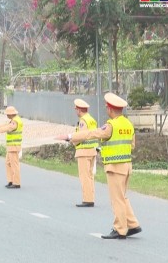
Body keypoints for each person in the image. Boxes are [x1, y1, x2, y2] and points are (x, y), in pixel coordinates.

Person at [57, 93, 142, 239]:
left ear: (110, 109)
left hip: (115, 167)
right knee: (122, 197)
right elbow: (132, 145)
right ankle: (133, 224)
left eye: (107, 108)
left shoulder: (111, 125)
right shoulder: (128, 124)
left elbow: (92, 134)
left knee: (117, 199)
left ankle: (120, 229)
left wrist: (70, 137)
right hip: (126, 166)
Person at [56, 98, 99, 207]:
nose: (76, 112)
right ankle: (91, 197)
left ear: (79, 110)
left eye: (76, 110)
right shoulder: (91, 119)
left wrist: (69, 138)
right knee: (90, 176)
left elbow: (82, 135)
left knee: (85, 176)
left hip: (84, 151)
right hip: (92, 150)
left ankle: (87, 199)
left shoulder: (83, 121)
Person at [0, 106, 23, 189]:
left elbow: (8, 127)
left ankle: (16, 183)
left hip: (14, 146)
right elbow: (5, 125)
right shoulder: (13, 120)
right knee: (8, 163)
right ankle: (11, 181)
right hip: (11, 146)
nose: (7, 116)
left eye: (7, 114)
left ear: (11, 114)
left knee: (14, 165)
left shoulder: (15, 122)